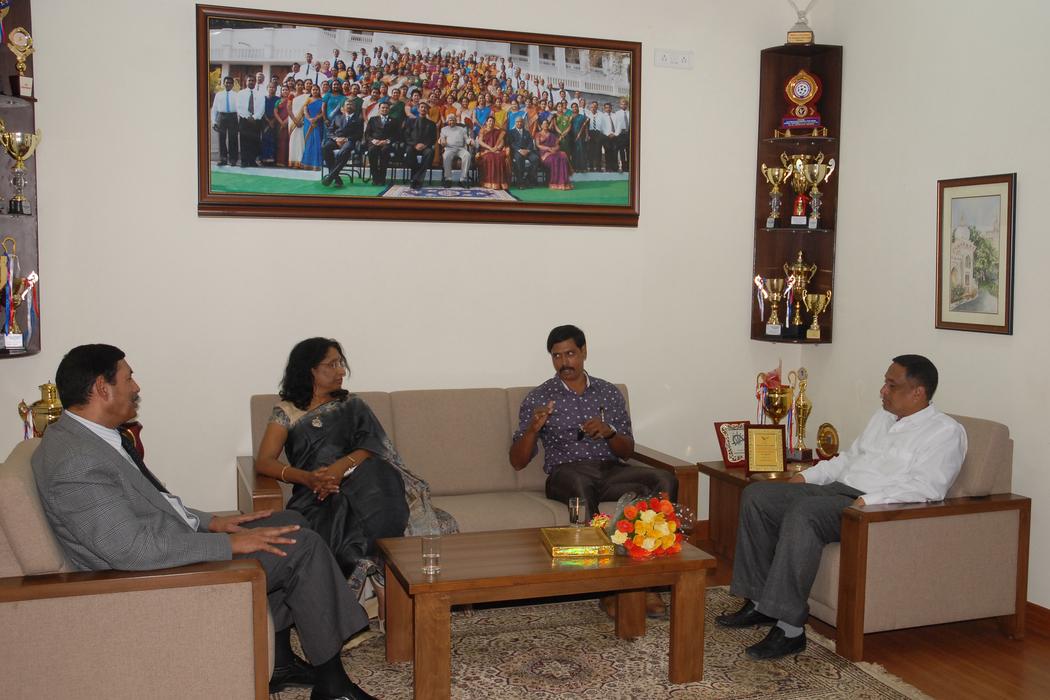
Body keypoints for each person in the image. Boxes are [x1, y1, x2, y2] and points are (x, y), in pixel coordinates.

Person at [32, 344, 376, 700]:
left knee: (291, 520)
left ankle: (281, 663)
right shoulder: (76, 461)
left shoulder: (89, 438)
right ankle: (333, 687)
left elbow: (155, 503)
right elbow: (131, 549)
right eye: (128, 378)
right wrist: (228, 544)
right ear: (102, 388)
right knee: (299, 545)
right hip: (151, 578)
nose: (136, 387)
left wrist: (213, 523)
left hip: (166, 547)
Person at [716, 355, 967, 660]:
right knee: (758, 496)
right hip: (836, 490)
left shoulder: (945, 432)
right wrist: (807, 476)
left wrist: (870, 500)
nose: (882, 391)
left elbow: (928, 487)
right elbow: (849, 458)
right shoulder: (883, 418)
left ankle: (790, 630)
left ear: (918, 392)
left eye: (891, 385)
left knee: (805, 513)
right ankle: (759, 603)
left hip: (868, 507)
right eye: (884, 383)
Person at [255, 338, 458, 601]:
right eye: (332, 364)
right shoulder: (286, 411)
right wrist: (307, 478)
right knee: (344, 514)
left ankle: (379, 578)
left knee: (379, 473)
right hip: (317, 492)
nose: (341, 371)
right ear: (310, 370)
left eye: (341, 363)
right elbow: (265, 461)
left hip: (363, 480)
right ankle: (376, 583)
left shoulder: (352, 404)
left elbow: (373, 446)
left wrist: (341, 467)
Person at [509, 325, 678, 616]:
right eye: (557, 356)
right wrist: (533, 430)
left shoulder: (608, 393)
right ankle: (607, 589)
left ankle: (649, 581)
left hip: (610, 471)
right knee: (580, 487)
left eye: (570, 354)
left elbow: (627, 451)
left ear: (584, 351)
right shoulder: (539, 397)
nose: (564, 362)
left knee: (664, 479)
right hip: (566, 474)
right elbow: (517, 461)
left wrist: (609, 432)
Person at [322, 99, 364, 187]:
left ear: (355, 107)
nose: (349, 106)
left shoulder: (359, 119)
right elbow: (330, 131)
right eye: (347, 104)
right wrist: (336, 139)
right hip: (335, 140)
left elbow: (359, 134)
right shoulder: (337, 117)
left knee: (344, 152)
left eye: (351, 104)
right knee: (325, 148)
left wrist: (346, 139)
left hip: (349, 141)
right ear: (343, 107)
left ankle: (331, 176)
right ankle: (336, 178)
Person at [402, 107, 438, 189]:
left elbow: (433, 138)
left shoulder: (432, 123)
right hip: (413, 146)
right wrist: (415, 145)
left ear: (427, 110)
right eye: (421, 107)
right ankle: (417, 178)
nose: (423, 109)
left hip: (425, 147)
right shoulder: (411, 121)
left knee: (430, 152)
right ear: (418, 110)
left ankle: (415, 179)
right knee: (409, 151)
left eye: (425, 108)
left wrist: (425, 145)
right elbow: (406, 135)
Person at [364, 101, 399, 185]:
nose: (384, 109)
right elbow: (367, 134)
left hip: (386, 143)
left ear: (389, 109)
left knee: (385, 151)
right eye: (383, 108)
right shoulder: (373, 119)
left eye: (386, 108)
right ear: (379, 109)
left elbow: (396, 134)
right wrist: (373, 140)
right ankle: (375, 178)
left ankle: (382, 178)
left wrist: (387, 141)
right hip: (374, 143)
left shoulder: (394, 120)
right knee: (372, 151)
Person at [535, 118, 573, 190]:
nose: (546, 125)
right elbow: (538, 145)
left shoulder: (552, 135)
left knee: (562, 157)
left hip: (553, 152)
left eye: (547, 124)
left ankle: (562, 182)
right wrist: (548, 149)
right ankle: (554, 182)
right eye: (544, 124)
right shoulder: (538, 134)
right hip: (544, 153)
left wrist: (555, 149)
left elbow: (557, 145)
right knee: (554, 159)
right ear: (541, 125)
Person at [236, 75, 265, 167]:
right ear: (246, 82)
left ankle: (252, 161)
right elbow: (239, 107)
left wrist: (254, 117)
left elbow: (262, 107)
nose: (251, 82)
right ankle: (244, 161)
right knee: (244, 141)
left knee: (254, 141)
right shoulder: (240, 93)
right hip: (244, 120)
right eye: (249, 80)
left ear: (255, 82)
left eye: (253, 80)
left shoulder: (260, 94)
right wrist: (247, 117)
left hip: (256, 121)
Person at [210, 75, 239, 166]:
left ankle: (233, 159)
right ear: (224, 84)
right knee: (221, 138)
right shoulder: (218, 95)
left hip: (233, 116)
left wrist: (239, 120)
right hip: (221, 117)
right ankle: (223, 159)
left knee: (233, 138)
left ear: (233, 85)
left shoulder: (236, 95)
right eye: (227, 83)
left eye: (230, 83)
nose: (228, 84)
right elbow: (214, 108)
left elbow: (239, 108)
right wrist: (214, 121)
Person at [438, 113, 473, 187]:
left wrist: (470, 141)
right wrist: (442, 141)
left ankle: (462, 179)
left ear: (456, 121)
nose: (451, 122)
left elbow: (467, 139)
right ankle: (448, 179)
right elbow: (442, 138)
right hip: (449, 148)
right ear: (447, 121)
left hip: (461, 149)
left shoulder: (462, 129)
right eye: (450, 120)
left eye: (453, 120)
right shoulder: (444, 129)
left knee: (467, 155)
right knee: (446, 156)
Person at [476, 115, 509, 190]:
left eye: (493, 121)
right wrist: (490, 148)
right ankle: (488, 182)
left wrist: (497, 148)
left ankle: (499, 183)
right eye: (489, 121)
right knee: (490, 157)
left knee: (500, 157)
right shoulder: (482, 130)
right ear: (486, 122)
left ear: (494, 123)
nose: (491, 122)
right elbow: (480, 141)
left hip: (496, 150)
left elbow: (502, 142)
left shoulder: (497, 131)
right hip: (485, 150)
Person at [507, 117, 539, 188]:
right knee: (519, 159)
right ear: (515, 123)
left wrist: (527, 150)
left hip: (527, 151)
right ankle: (520, 182)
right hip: (517, 151)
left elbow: (530, 143)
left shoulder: (527, 132)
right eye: (517, 122)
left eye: (521, 122)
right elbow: (511, 143)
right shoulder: (511, 132)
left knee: (535, 159)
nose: (519, 123)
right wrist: (519, 150)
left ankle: (528, 178)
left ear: (523, 123)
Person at [301, 84, 326, 171]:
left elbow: (323, 112)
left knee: (317, 142)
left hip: (318, 123)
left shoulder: (322, 100)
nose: (315, 91)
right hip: (308, 123)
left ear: (319, 91)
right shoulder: (308, 100)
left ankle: (317, 164)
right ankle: (307, 164)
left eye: (316, 89)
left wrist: (316, 118)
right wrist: (310, 119)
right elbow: (305, 111)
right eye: (313, 89)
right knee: (309, 143)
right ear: (311, 91)